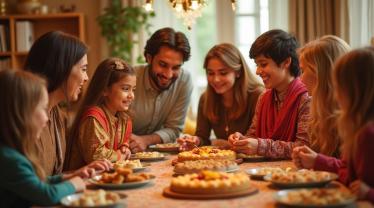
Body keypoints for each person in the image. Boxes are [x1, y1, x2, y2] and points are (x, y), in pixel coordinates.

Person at [292, 47, 374, 203]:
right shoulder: (356, 126)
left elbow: (355, 182)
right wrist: (317, 161)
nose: (336, 94)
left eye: (339, 87)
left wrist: (369, 193)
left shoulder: (367, 134)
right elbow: (348, 172)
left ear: (355, 91)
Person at [24, 31, 112, 176]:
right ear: (60, 68)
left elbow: (50, 178)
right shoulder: (27, 118)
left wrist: (77, 173)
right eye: (83, 69)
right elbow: (32, 186)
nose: (86, 77)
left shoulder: (57, 114)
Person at [0, 70, 85, 207]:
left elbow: (35, 183)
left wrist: (64, 178)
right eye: (43, 108)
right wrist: (73, 184)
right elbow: (47, 195)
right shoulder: (10, 160)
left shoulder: (10, 154)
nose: (47, 118)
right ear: (22, 114)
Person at [228, 29, 311, 159]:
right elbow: (253, 135)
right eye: (257, 65)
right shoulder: (264, 97)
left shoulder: (306, 97)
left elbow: (304, 148)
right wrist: (241, 140)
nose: (257, 71)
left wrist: (260, 146)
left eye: (263, 64)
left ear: (286, 62)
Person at [177, 43, 264, 150]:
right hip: (224, 162)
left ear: (238, 72)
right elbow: (202, 137)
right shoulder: (205, 99)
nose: (216, 79)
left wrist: (225, 144)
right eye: (210, 73)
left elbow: (260, 139)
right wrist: (195, 140)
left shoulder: (258, 95)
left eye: (223, 73)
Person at [130, 27, 193, 153]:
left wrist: (145, 140)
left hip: (159, 157)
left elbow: (174, 129)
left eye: (176, 67)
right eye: (163, 65)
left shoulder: (184, 81)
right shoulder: (129, 79)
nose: (168, 74)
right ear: (149, 58)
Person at [65, 58, 135, 170]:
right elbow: (96, 157)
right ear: (105, 90)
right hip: (85, 179)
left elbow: (123, 141)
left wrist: (124, 147)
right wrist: (120, 155)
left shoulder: (123, 118)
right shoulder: (93, 118)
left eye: (133, 90)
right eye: (126, 89)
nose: (132, 95)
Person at [299, 35, 350, 157]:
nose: (300, 79)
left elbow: (353, 169)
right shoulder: (318, 111)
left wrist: (318, 161)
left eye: (302, 71)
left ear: (320, 73)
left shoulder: (352, 118)